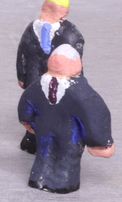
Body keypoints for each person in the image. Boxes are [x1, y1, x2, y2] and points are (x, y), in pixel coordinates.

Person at [18, 45, 113, 193]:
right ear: (77, 65)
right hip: (66, 133)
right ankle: (60, 183)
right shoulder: (81, 92)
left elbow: (26, 102)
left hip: (50, 129)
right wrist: (101, 142)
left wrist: (27, 120)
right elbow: (96, 113)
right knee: (63, 157)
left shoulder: (40, 84)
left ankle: (40, 179)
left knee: (48, 154)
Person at [15, 0, 84, 153]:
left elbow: (76, 62)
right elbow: (22, 52)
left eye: (62, 13)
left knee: (55, 110)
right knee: (33, 107)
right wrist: (22, 75)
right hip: (34, 78)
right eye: (46, 10)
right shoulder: (32, 29)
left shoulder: (71, 35)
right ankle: (32, 138)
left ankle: (52, 141)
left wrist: (76, 84)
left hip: (58, 81)